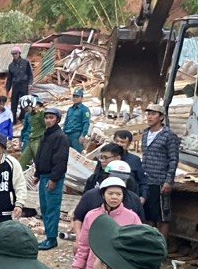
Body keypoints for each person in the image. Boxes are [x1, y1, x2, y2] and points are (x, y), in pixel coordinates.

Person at [70, 178, 143, 269]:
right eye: (110, 193)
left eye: (119, 194)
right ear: (103, 195)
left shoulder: (132, 217)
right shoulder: (91, 216)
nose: (114, 197)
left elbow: (138, 245)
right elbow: (84, 245)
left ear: (124, 196)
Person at [140, 103, 180, 240]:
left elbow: (173, 159)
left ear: (161, 117)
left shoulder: (169, 136)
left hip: (160, 180)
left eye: (153, 114)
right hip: (147, 179)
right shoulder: (145, 133)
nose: (150, 117)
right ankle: (149, 243)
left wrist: (169, 181)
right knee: (149, 215)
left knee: (163, 217)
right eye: (148, 114)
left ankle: (161, 247)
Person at [32, 107, 69, 251]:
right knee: (45, 208)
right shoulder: (47, 134)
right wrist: (37, 174)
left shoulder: (60, 137)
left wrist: (54, 179)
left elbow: (60, 161)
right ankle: (48, 235)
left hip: (53, 178)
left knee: (52, 209)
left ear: (57, 119)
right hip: (43, 176)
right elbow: (42, 156)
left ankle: (52, 238)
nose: (48, 120)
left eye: (51, 118)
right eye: (46, 117)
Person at [72, 159, 144, 224]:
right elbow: (78, 219)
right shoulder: (91, 196)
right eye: (115, 178)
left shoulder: (134, 200)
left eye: (123, 179)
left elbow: (140, 225)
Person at [113, 129, 145, 195]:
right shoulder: (106, 158)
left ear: (129, 144)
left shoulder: (134, 160)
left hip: (129, 196)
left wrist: (143, 196)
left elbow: (142, 181)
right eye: (117, 141)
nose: (119, 144)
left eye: (122, 142)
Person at [5, 45, 33, 118]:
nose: (14, 55)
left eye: (16, 53)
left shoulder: (26, 62)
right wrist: (7, 89)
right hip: (15, 85)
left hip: (24, 85)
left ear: (19, 53)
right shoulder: (11, 65)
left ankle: (22, 117)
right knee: (14, 102)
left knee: (24, 102)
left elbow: (30, 74)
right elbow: (9, 78)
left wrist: (30, 84)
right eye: (13, 54)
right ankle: (13, 118)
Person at [18, 97, 44, 168]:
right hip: (29, 139)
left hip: (37, 140)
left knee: (39, 160)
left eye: (27, 108)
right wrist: (21, 139)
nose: (26, 110)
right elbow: (24, 128)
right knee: (23, 161)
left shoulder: (41, 114)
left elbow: (46, 127)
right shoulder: (28, 115)